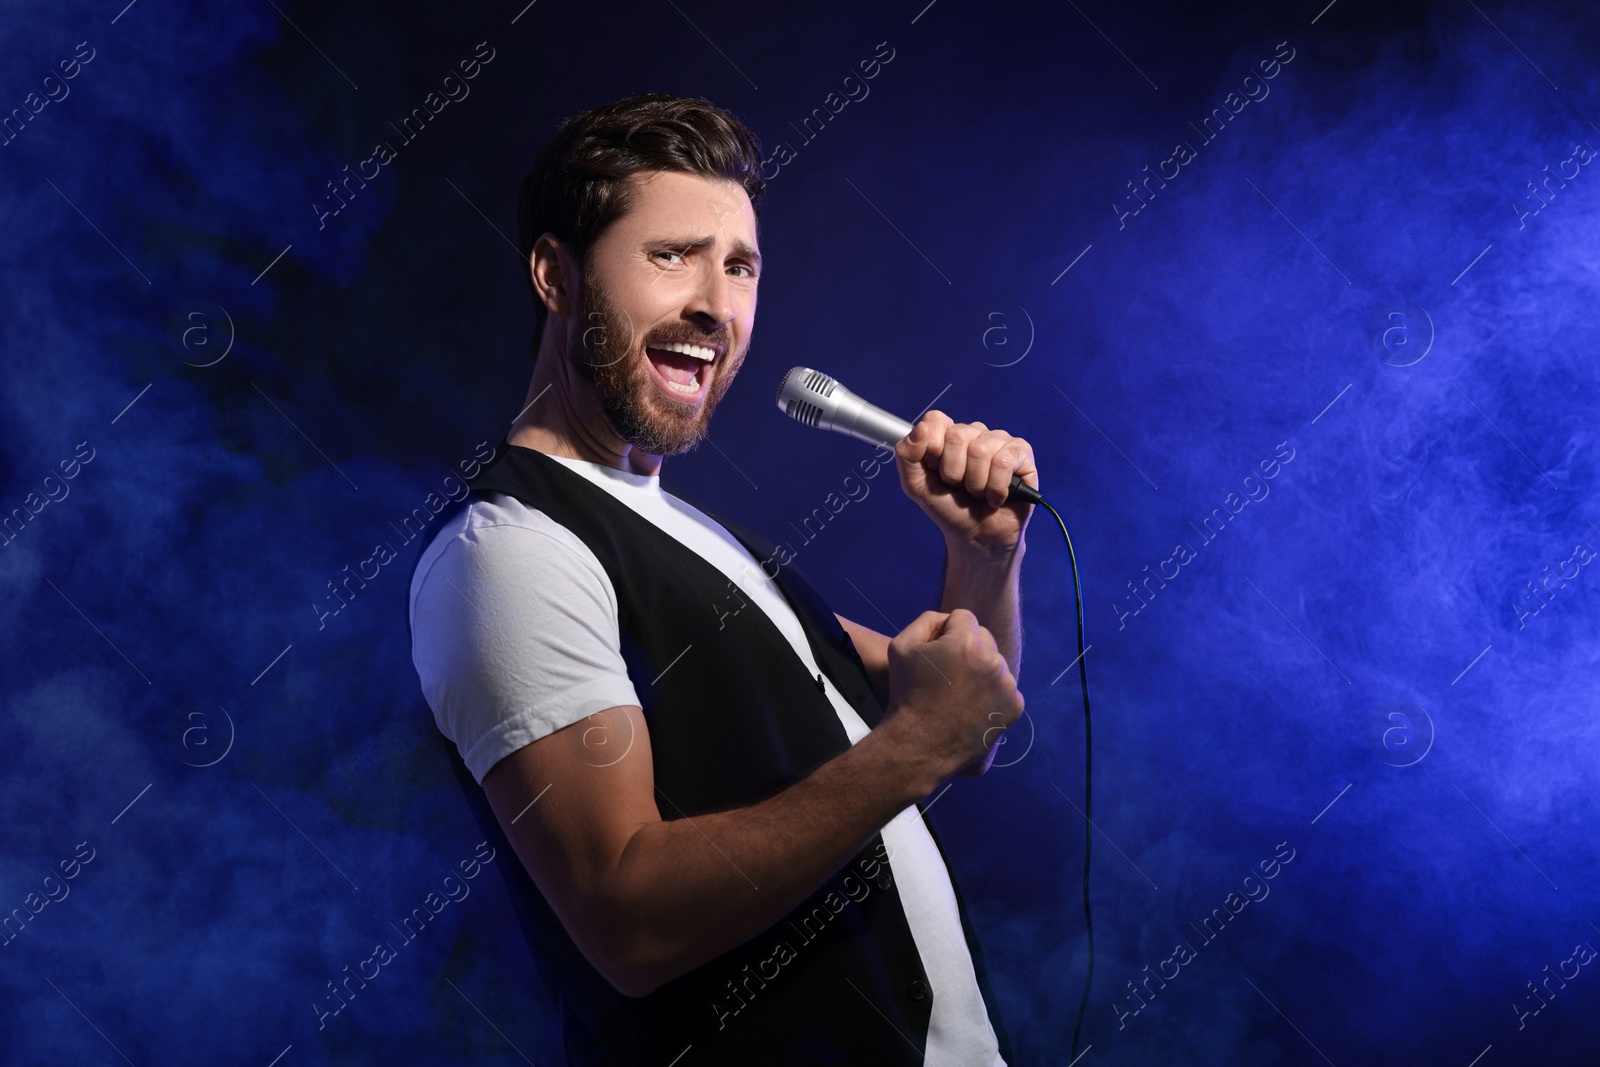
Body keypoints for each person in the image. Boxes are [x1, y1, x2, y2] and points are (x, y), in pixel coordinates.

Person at [408, 92, 1039, 1065]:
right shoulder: (510, 549)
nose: (715, 303)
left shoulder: (703, 535)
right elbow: (627, 920)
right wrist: (915, 743)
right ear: (555, 275)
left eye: (739, 265)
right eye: (670, 256)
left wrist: (983, 555)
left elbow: (966, 721)